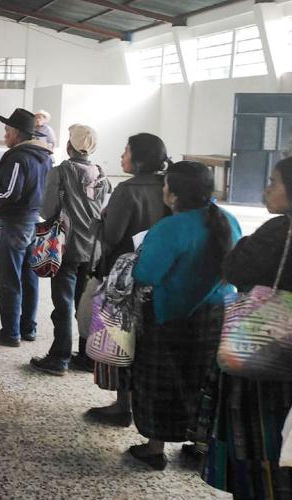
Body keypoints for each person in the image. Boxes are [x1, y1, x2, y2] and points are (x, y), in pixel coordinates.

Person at [127, 161, 241, 471]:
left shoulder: (170, 228)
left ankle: (154, 449)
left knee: (162, 384)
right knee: (202, 381)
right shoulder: (228, 220)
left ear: (174, 195)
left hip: (171, 317)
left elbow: (147, 272)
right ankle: (200, 445)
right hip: (217, 316)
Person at [196, 157, 292, 498]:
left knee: (258, 438)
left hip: (266, 349)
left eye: (274, 181)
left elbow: (235, 269)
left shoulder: (281, 230)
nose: (267, 188)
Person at [84, 133, 170, 427]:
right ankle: (143, 410)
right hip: (159, 274)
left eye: (126, 151)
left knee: (122, 338)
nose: (122, 156)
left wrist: (104, 217)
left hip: (126, 278)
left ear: (140, 158)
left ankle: (123, 405)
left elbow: (112, 236)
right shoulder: (168, 186)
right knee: (148, 343)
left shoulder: (127, 190)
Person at [29, 124, 111, 376]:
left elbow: (47, 209)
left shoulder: (61, 171)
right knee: (84, 303)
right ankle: (87, 356)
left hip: (66, 246)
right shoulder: (101, 174)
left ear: (69, 146)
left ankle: (59, 357)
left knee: (62, 303)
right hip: (94, 248)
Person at [0, 108, 52, 347]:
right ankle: (28, 328)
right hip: (35, 222)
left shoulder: (17, 157)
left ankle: (10, 333)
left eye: (7, 130)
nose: (5, 135)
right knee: (29, 278)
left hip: (15, 225)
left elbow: (10, 192)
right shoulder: (45, 157)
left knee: (9, 279)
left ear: (16, 133)